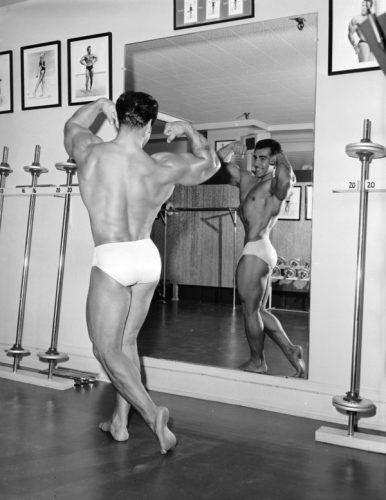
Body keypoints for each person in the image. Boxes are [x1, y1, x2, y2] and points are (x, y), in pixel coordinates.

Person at [63, 91, 220, 454]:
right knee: (127, 344)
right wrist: (191, 132)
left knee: (105, 349)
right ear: (149, 127)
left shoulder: (90, 152)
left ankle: (152, 414)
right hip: (147, 257)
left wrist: (98, 104)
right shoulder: (162, 164)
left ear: (117, 119)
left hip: (112, 257)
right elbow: (209, 165)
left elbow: (72, 126)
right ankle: (119, 422)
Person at [217, 139, 306, 377]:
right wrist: (232, 147)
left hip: (258, 248)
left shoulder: (274, 185)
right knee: (256, 310)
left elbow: (287, 180)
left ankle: (258, 362)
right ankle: (291, 349)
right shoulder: (246, 179)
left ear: (274, 161)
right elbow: (217, 163)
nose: (256, 162)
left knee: (250, 312)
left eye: (263, 158)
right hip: (256, 249)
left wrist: (281, 156)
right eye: (255, 157)